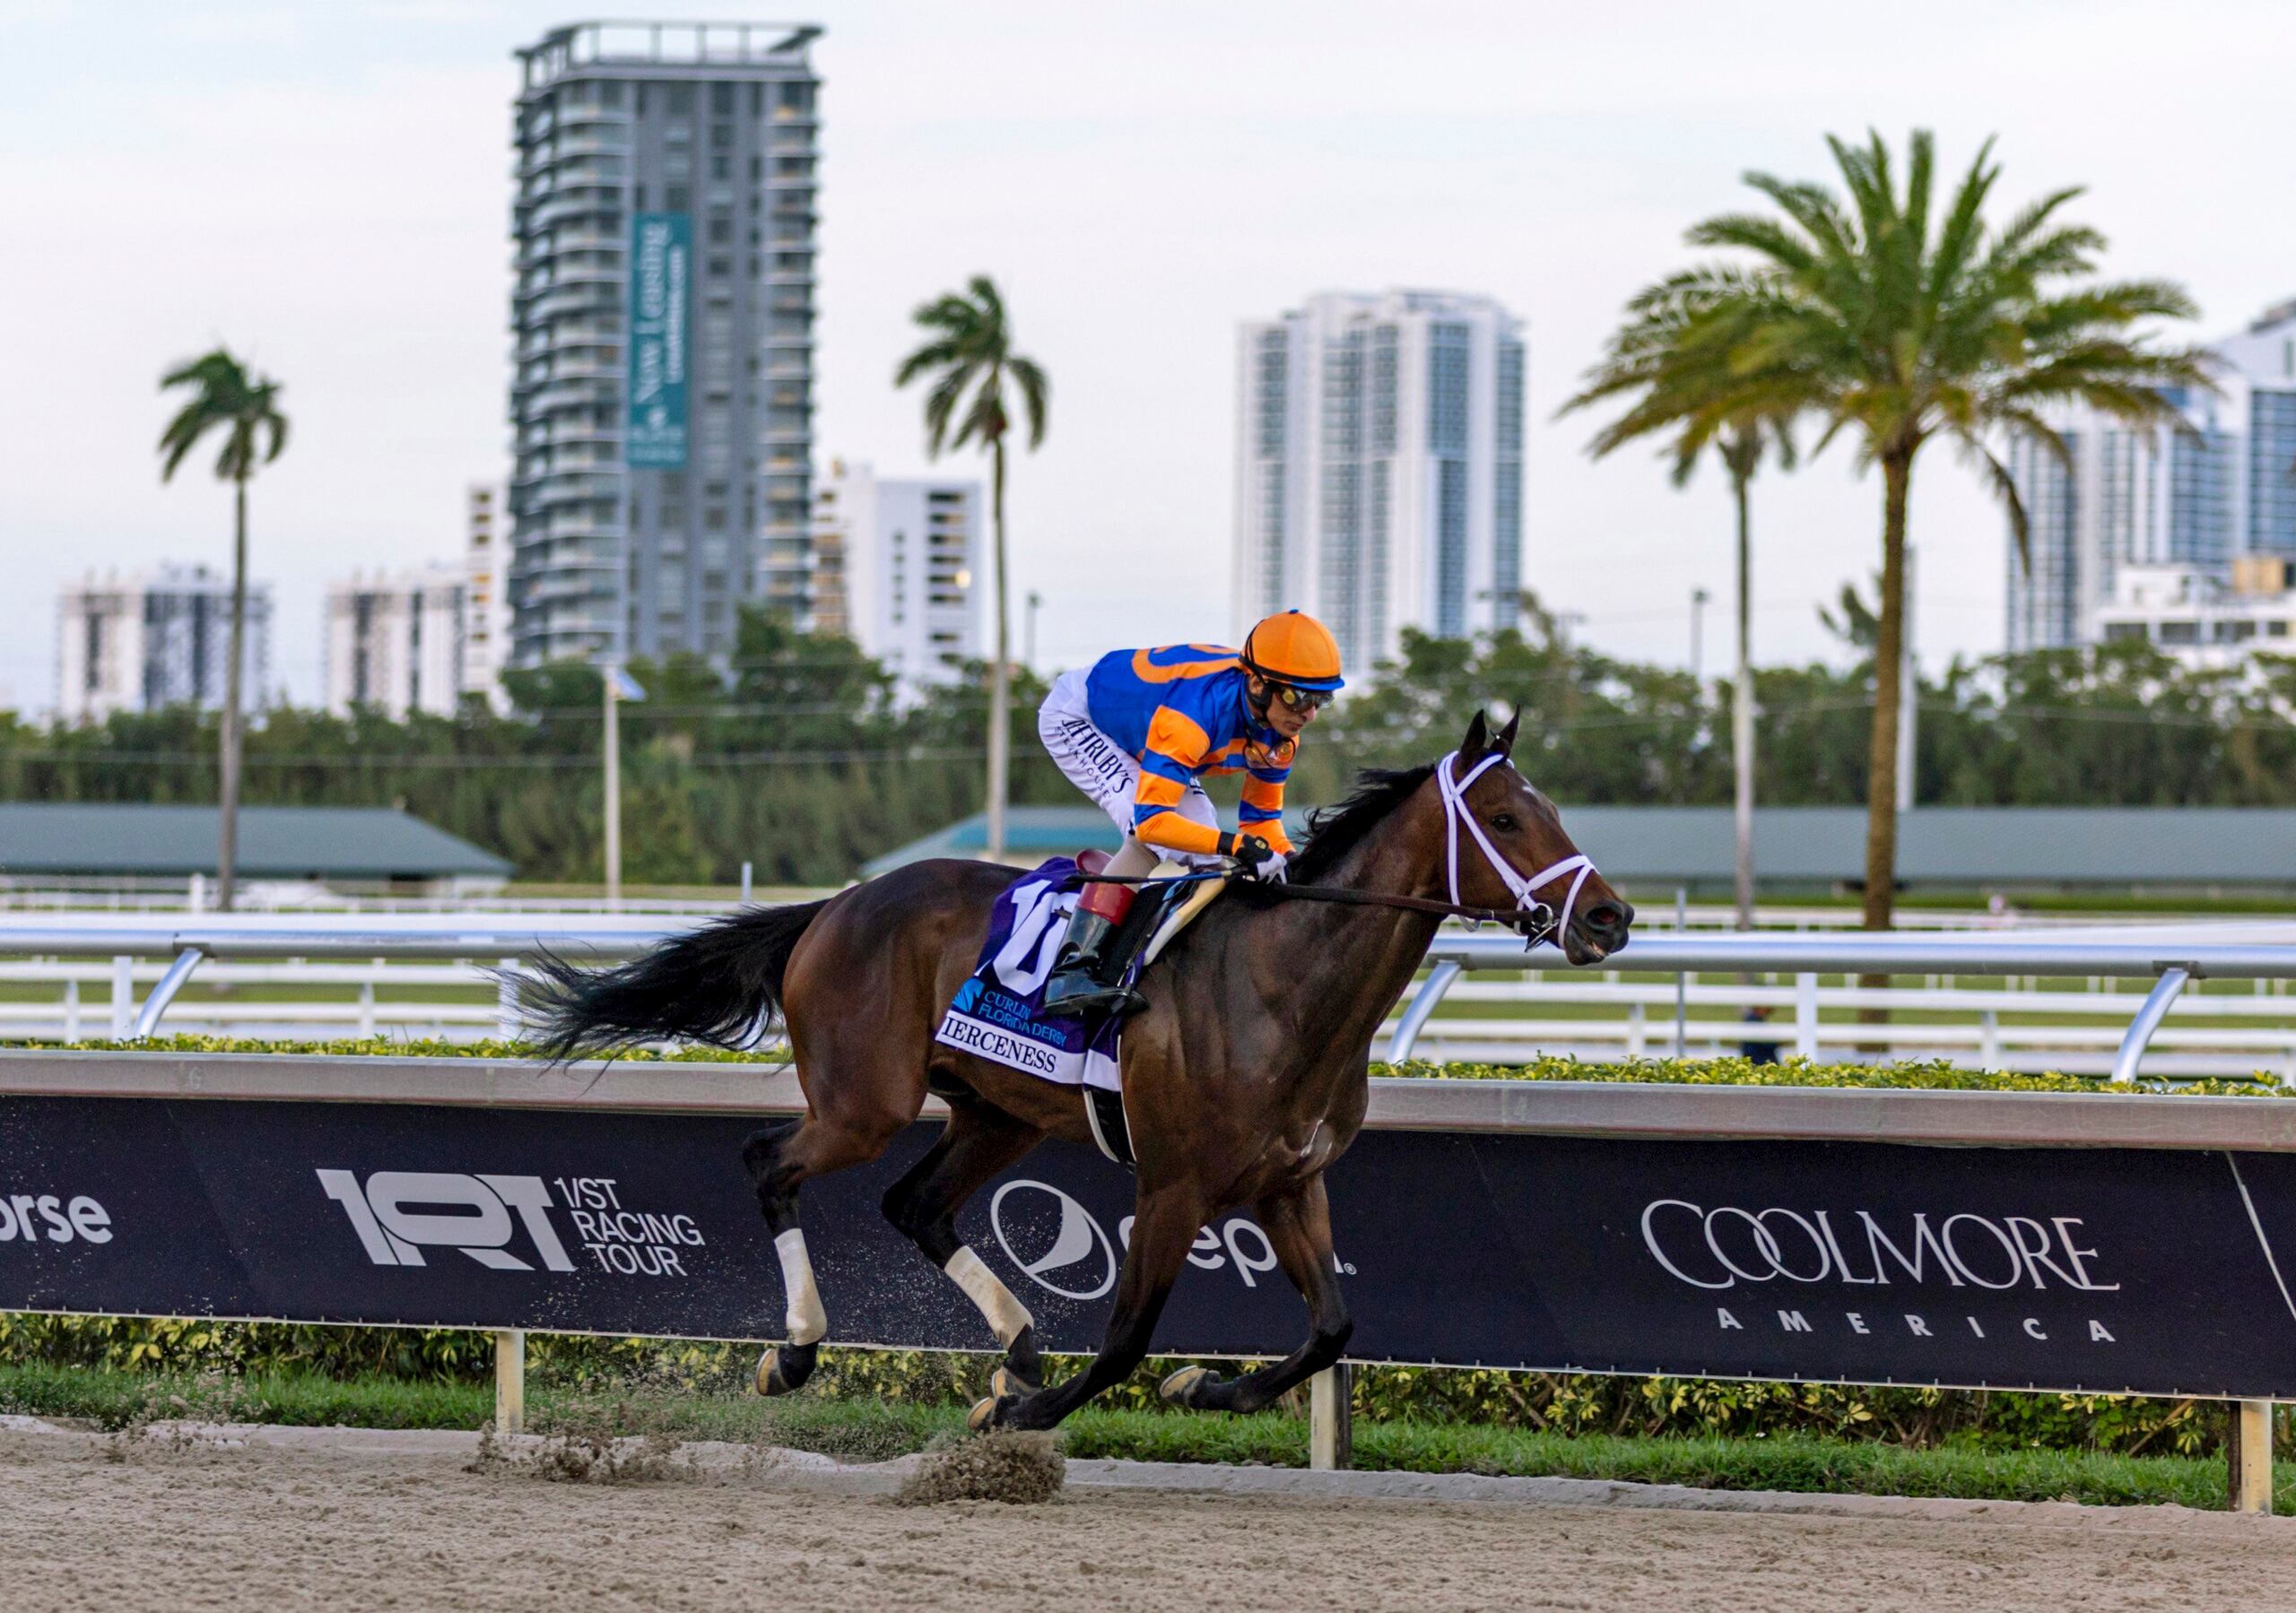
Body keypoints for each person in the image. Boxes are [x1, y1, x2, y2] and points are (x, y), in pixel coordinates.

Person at [1034, 611, 1344, 1016]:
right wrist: (1237, 845)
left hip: (1145, 727)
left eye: (1321, 700)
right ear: (1258, 684)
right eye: (1298, 697)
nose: (1309, 714)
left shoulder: (1282, 736)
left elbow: (1261, 821)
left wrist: (1290, 862)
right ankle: (1071, 972)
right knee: (1150, 838)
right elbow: (1153, 822)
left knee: (1209, 852)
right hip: (1080, 717)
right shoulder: (1194, 715)